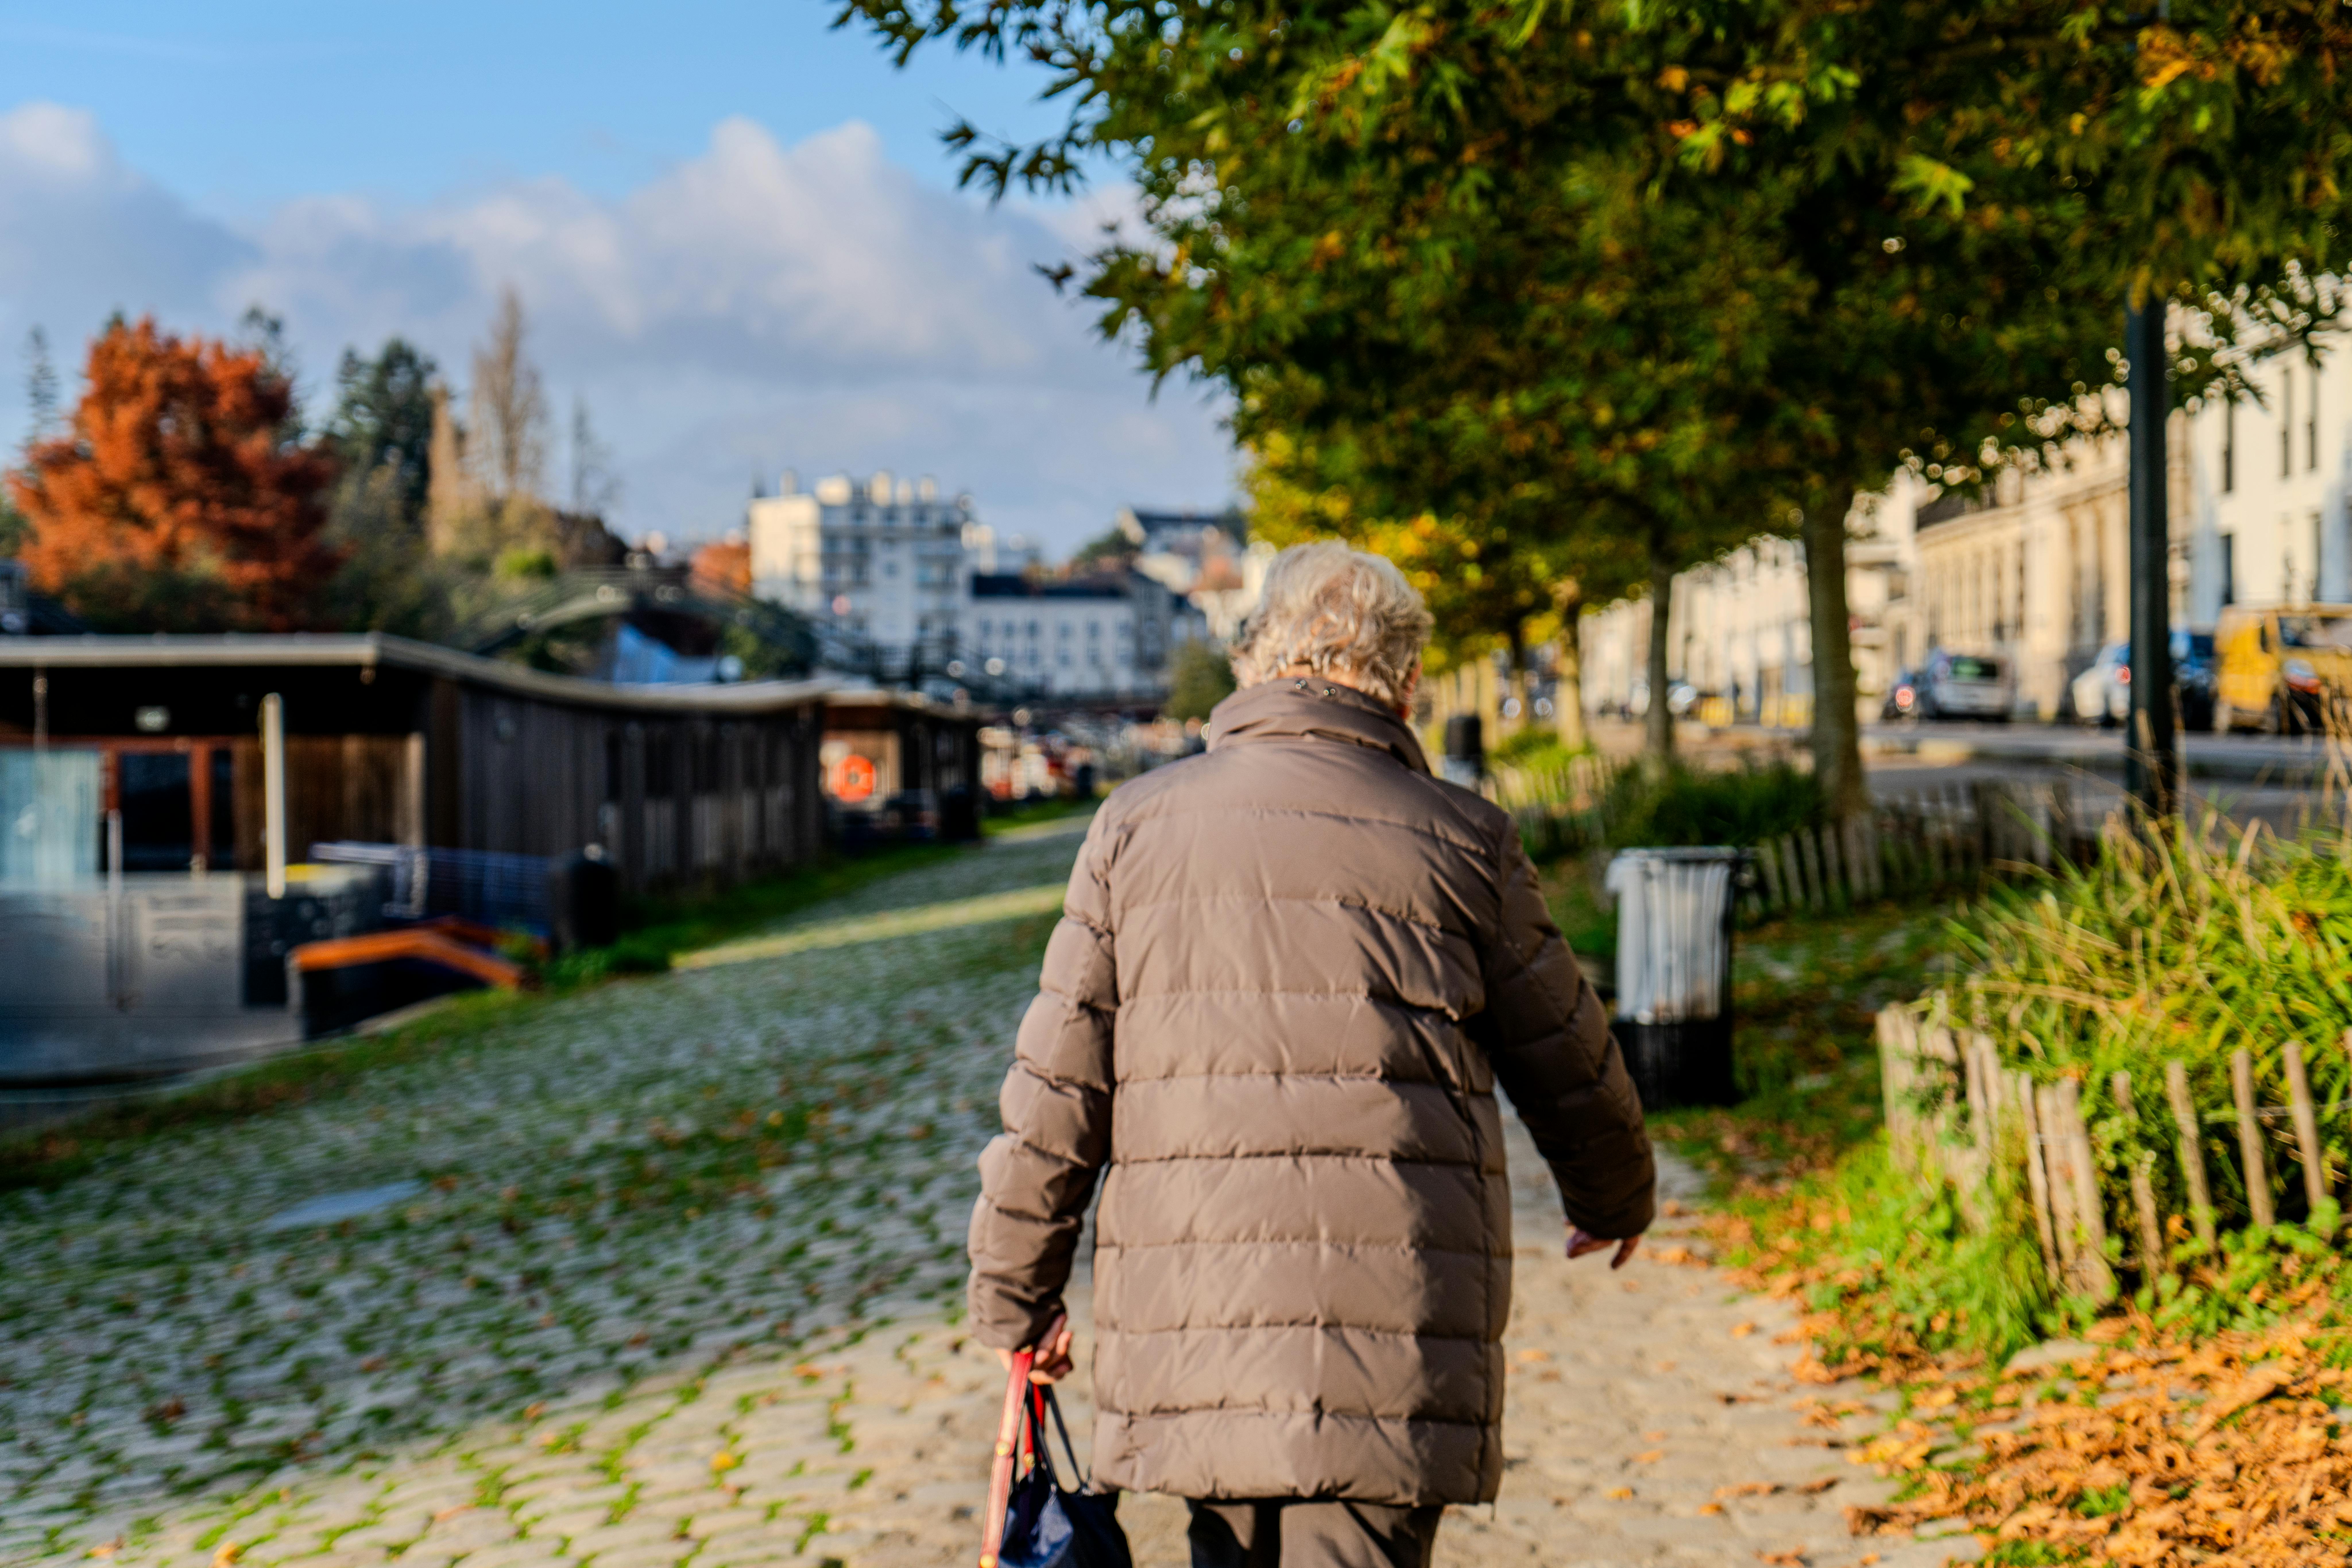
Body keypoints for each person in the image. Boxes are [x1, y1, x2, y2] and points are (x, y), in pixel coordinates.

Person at [967, 541, 1656, 1568]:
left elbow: (1059, 1084)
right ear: (1407, 684)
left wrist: (1018, 1293)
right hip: (1394, 1323)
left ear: (1252, 663)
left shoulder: (1134, 828)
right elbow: (1565, 1047)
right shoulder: (1463, 838)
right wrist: (1614, 1196)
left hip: (1197, 1316)